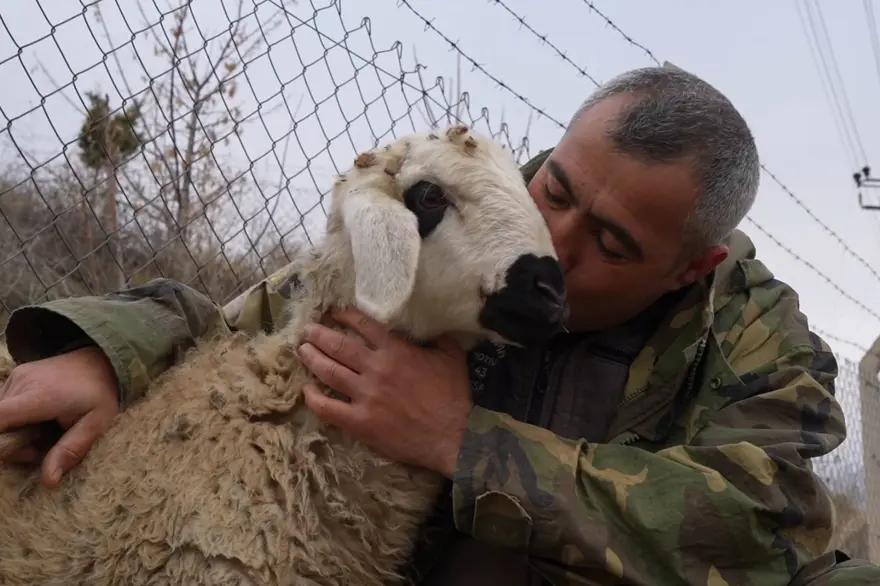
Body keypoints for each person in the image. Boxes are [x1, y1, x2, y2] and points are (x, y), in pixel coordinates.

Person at [0, 65, 877, 585]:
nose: (556, 243)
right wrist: (106, 352)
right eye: (555, 189)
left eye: (611, 243)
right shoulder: (464, 222)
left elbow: (759, 521)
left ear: (691, 266)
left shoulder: (750, 333)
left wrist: (464, 444)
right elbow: (261, 316)